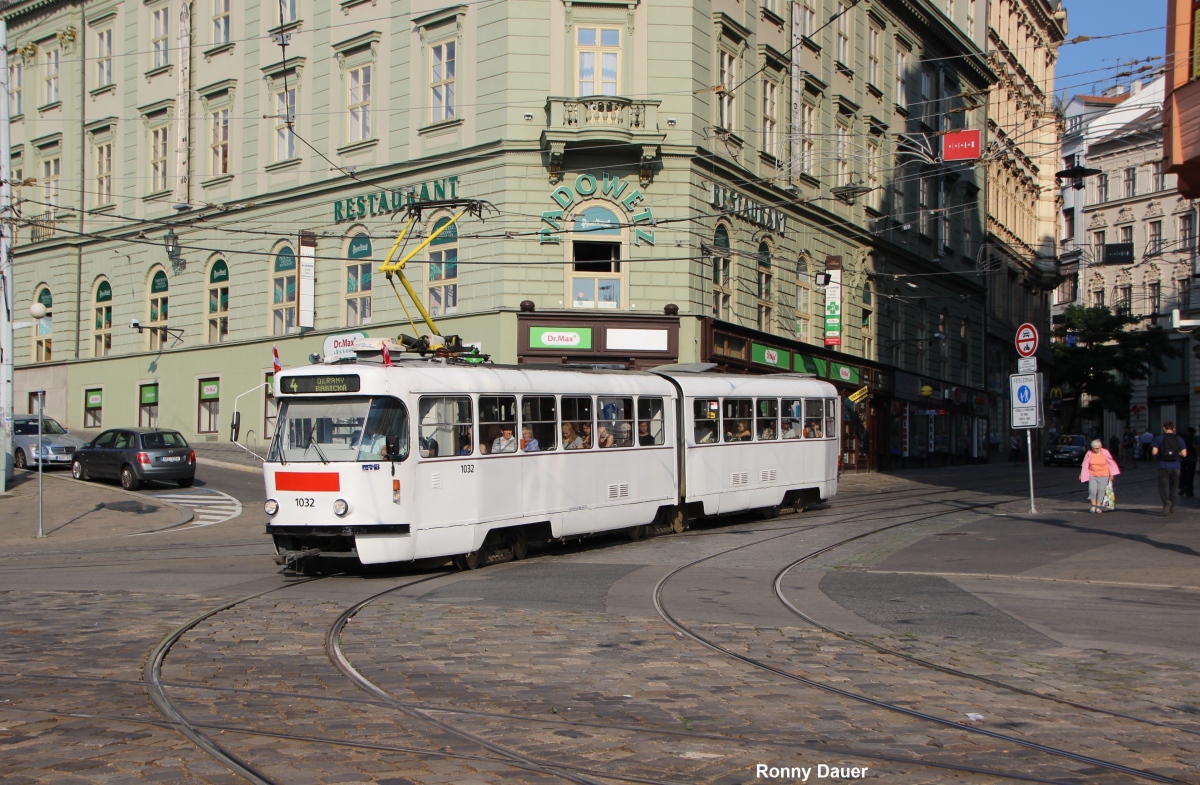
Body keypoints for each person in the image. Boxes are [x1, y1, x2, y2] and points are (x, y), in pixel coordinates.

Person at [1151, 421, 1188, 515]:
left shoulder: (1159, 438)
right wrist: (1176, 453)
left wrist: (1161, 454)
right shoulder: (1179, 438)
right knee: (1174, 488)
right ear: (1173, 429)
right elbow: (1184, 454)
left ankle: (1166, 502)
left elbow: (1154, 452)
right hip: (1176, 466)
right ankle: (1171, 507)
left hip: (1163, 466)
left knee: (1161, 487)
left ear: (1164, 428)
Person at [1080, 438, 1120, 514]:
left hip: (1104, 475)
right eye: (1094, 448)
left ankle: (1098, 507)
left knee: (1101, 491)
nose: (1095, 450)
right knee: (1092, 490)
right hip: (1093, 475)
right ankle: (1093, 506)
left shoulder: (1105, 452)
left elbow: (1110, 464)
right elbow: (1085, 464)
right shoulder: (1089, 453)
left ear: (1100, 447)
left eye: (1097, 448)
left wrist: (1111, 474)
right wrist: (1081, 474)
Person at [1183, 427, 1199, 497]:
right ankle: (1189, 491)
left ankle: (1182, 487)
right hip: (1192, 458)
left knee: (1183, 474)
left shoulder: (1183, 437)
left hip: (1183, 458)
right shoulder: (1195, 438)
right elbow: (1197, 447)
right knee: (1190, 475)